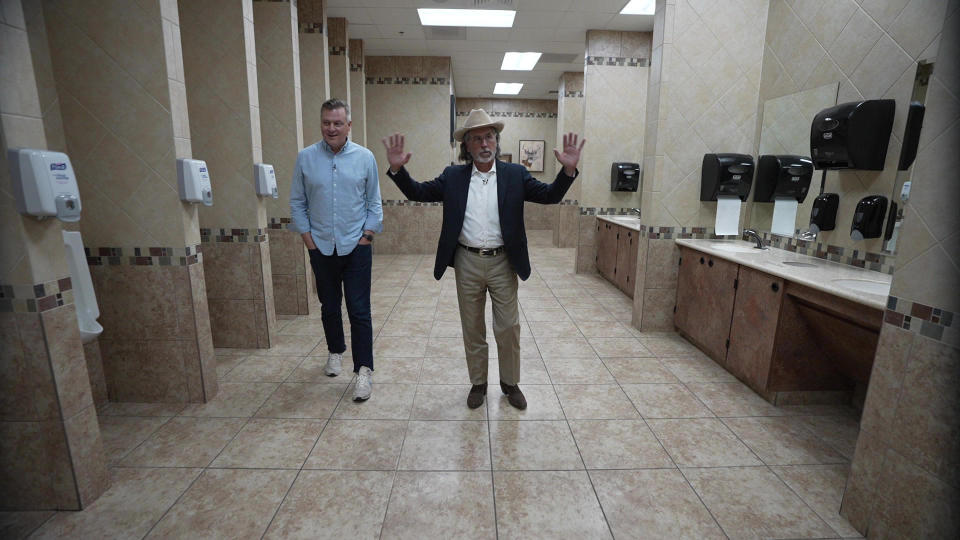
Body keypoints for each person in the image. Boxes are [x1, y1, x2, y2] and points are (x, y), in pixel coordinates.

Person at [383, 108, 584, 409]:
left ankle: (510, 383)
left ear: (496, 141)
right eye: (476, 139)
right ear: (467, 146)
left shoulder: (515, 175)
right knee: (472, 326)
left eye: (489, 137)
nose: (484, 144)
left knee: (508, 326)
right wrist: (399, 171)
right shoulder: (453, 176)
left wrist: (567, 171)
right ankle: (478, 383)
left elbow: (550, 195)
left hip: (504, 262)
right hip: (467, 261)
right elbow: (419, 193)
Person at [290, 98, 382, 401]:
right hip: (320, 248)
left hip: (356, 247)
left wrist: (366, 237)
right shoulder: (305, 158)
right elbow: (297, 203)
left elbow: (374, 203)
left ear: (348, 125)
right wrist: (310, 243)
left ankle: (364, 371)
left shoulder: (365, 158)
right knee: (329, 307)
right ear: (321, 124)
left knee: (359, 310)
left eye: (338, 122)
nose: (332, 128)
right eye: (327, 122)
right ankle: (335, 351)